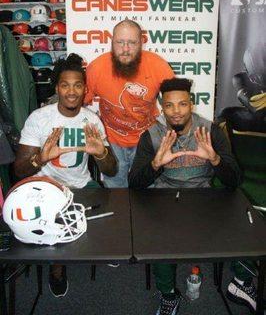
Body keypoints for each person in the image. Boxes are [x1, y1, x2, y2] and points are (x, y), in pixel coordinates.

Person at [128, 78, 258, 315]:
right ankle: (168, 295)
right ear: (161, 106)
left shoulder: (210, 131)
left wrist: (215, 160)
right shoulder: (151, 136)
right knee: (159, 238)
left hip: (204, 198)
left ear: (192, 104)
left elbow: (235, 180)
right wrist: (156, 164)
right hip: (164, 199)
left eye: (182, 104)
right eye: (169, 106)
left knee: (240, 222)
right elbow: (134, 184)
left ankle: (242, 283)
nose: (176, 112)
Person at [14, 53, 117, 298]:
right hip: (47, 187)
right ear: (57, 88)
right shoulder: (40, 119)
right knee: (54, 223)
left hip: (81, 185)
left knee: (112, 209)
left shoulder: (91, 120)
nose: (71, 91)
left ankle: (92, 247)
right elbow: (18, 171)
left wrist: (101, 154)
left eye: (77, 85)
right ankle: (57, 268)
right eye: (65, 85)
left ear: (84, 89)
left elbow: (112, 170)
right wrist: (41, 158)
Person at [85, 19, 174, 187]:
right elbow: (77, 104)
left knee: (146, 190)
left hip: (146, 139)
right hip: (111, 139)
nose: (125, 49)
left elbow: (175, 101)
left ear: (141, 43)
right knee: (116, 189)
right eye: (120, 42)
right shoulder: (96, 68)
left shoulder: (159, 66)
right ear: (112, 42)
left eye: (132, 43)